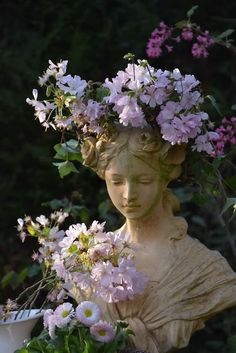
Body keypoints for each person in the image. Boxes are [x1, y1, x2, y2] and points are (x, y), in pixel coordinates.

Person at [81, 126, 236, 353]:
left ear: (166, 177)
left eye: (143, 181)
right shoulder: (88, 258)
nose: (128, 195)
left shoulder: (202, 267)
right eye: (116, 181)